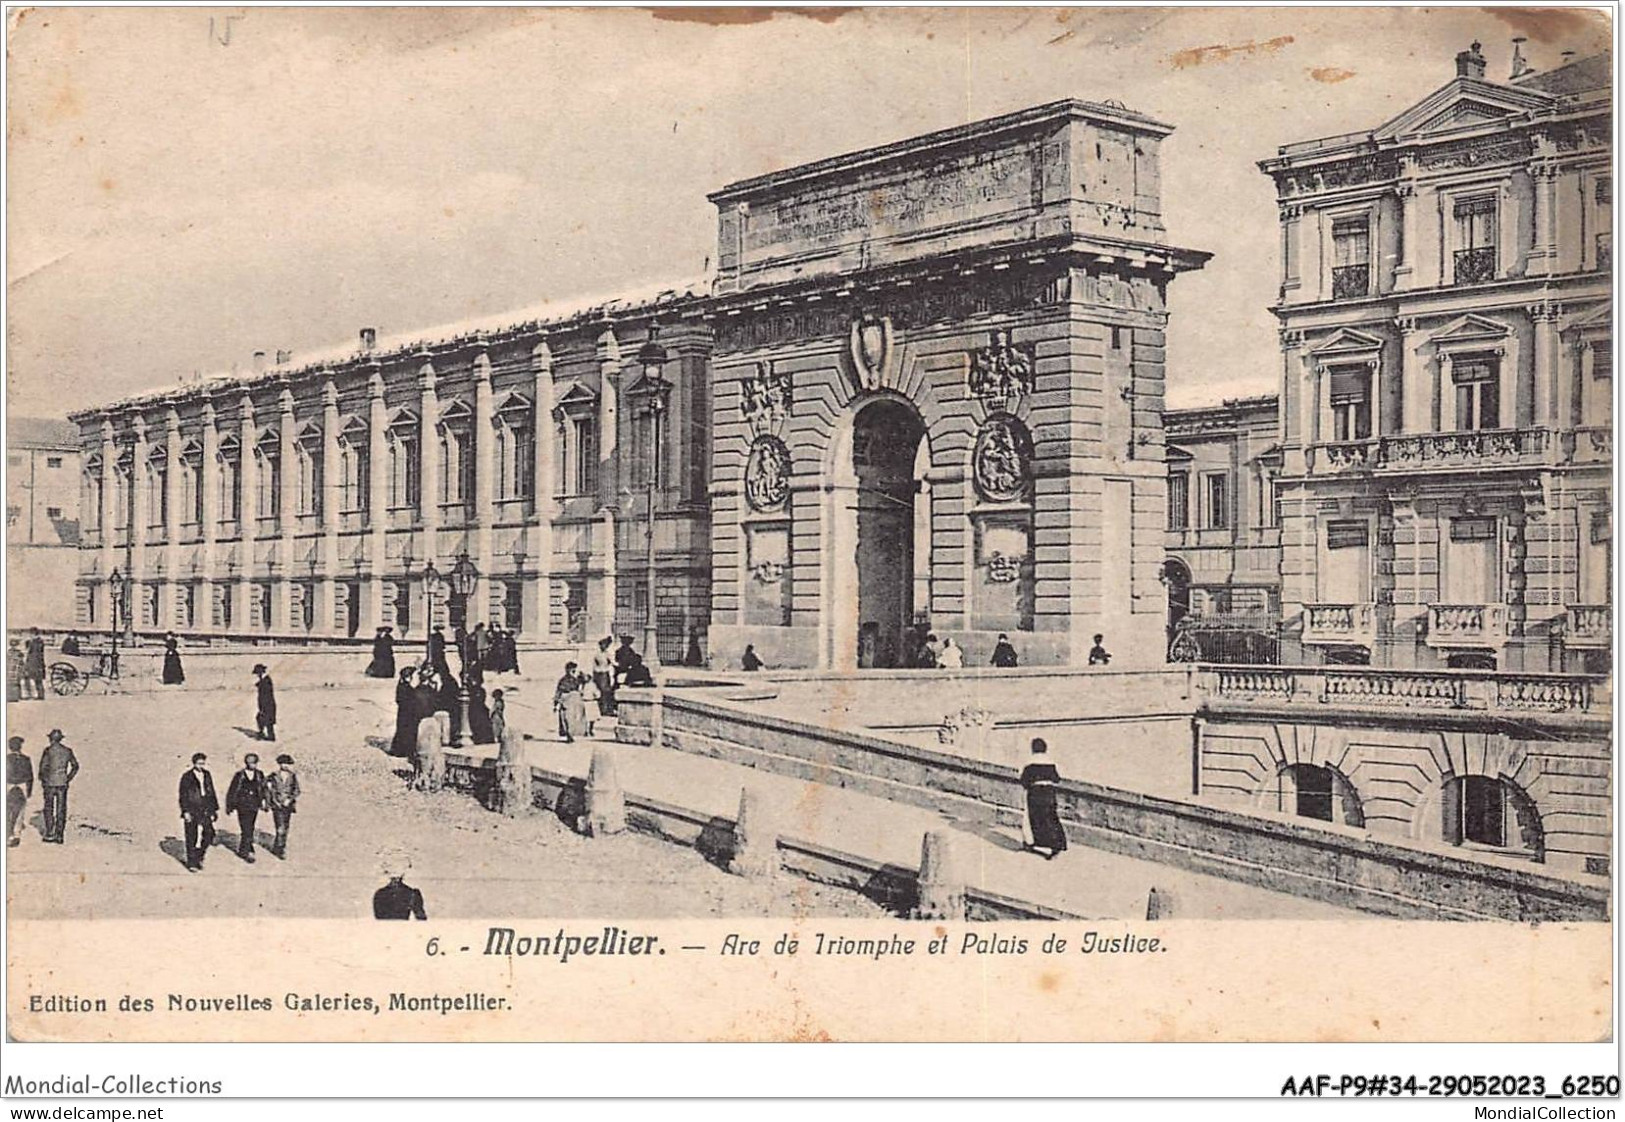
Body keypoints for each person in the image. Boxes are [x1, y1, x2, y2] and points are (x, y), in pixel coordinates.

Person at [1019, 738, 1068, 860]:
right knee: (1051, 817)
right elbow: (1056, 779)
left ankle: (1032, 843)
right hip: (1049, 792)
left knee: (1035, 819)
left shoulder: (1029, 762)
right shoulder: (1051, 762)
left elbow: (1024, 780)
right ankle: (1056, 845)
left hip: (1035, 792)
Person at [226, 752, 270, 862]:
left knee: (250, 827)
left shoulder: (259, 774)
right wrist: (230, 805)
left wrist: (265, 801)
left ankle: (244, 850)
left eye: (254, 763)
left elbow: (263, 789)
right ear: (246, 763)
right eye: (250, 763)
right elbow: (232, 790)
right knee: (246, 827)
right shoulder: (240, 775)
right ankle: (248, 851)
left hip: (254, 805)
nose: (253, 765)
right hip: (242, 805)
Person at [178, 752, 219, 871]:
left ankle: (199, 854)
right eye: (199, 763)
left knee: (209, 833)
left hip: (205, 807)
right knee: (191, 835)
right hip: (192, 808)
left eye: (203, 763)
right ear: (194, 763)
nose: (201, 766)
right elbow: (183, 795)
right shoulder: (187, 776)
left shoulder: (207, 774)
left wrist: (214, 809)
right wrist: (185, 811)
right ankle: (191, 862)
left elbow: (211, 791)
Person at [38, 729, 78, 844]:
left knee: (49, 808)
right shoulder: (67, 751)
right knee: (61, 809)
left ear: (51, 739)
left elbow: (43, 768)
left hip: (50, 784)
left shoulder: (48, 750)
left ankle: (50, 833)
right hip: (62, 784)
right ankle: (59, 835)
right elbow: (75, 766)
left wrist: (43, 780)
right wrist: (68, 778)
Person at [267, 754, 300, 860]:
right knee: (280, 827)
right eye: (282, 763)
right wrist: (274, 800)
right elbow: (268, 788)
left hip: (288, 806)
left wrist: (289, 799)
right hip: (277, 805)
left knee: (285, 827)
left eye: (287, 764)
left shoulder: (292, 776)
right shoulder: (273, 775)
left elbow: (297, 790)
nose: (285, 765)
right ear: (279, 764)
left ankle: (278, 846)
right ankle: (280, 849)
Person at [7, 736, 34, 848]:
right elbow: (30, 776)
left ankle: (7, 833)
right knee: (20, 813)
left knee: (7, 810)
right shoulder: (26, 759)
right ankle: (16, 835)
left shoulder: (6, 759)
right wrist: (29, 790)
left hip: (7, 786)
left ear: (10, 747)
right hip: (22, 786)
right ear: (20, 747)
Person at [554, 662, 587, 743]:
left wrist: (582, 675)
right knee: (566, 718)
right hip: (566, 699)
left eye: (574, 670)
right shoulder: (563, 680)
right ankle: (568, 734)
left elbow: (585, 680)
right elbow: (558, 691)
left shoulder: (576, 679)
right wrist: (556, 703)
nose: (573, 672)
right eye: (572, 670)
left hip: (574, 699)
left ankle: (571, 734)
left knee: (573, 718)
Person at [391, 666, 421, 757]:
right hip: (408, 713)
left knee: (403, 730)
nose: (410, 678)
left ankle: (400, 750)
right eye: (409, 676)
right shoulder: (406, 687)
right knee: (407, 731)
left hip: (403, 713)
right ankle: (405, 751)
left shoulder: (402, 686)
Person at [591, 637, 616, 718]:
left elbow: (612, 663)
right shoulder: (598, 654)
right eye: (603, 645)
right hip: (599, 674)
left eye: (605, 645)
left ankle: (606, 709)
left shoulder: (607, 653)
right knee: (601, 692)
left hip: (605, 674)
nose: (604, 647)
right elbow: (595, 665)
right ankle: (603, 709)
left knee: (606, 692)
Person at [252, 664, 277, 741]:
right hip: (265, 704)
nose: (257, 675)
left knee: (267, 720)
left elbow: (266, 692)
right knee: (261, 718)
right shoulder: (264, 680)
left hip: (268, 704)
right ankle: (263, 733)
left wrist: (260, 685)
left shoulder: (266, 680)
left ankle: (270, 736)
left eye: (258, 673)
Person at [23, 628, 46, 701]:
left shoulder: (35, 643)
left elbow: (33, 654)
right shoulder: (38, 642)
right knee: (37, 680)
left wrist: (28, 664)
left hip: (34, 663)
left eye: (31, 634)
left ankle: (30, 694)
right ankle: (40, 695)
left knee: (29, 678)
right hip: (37, 663)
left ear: (33, 634)